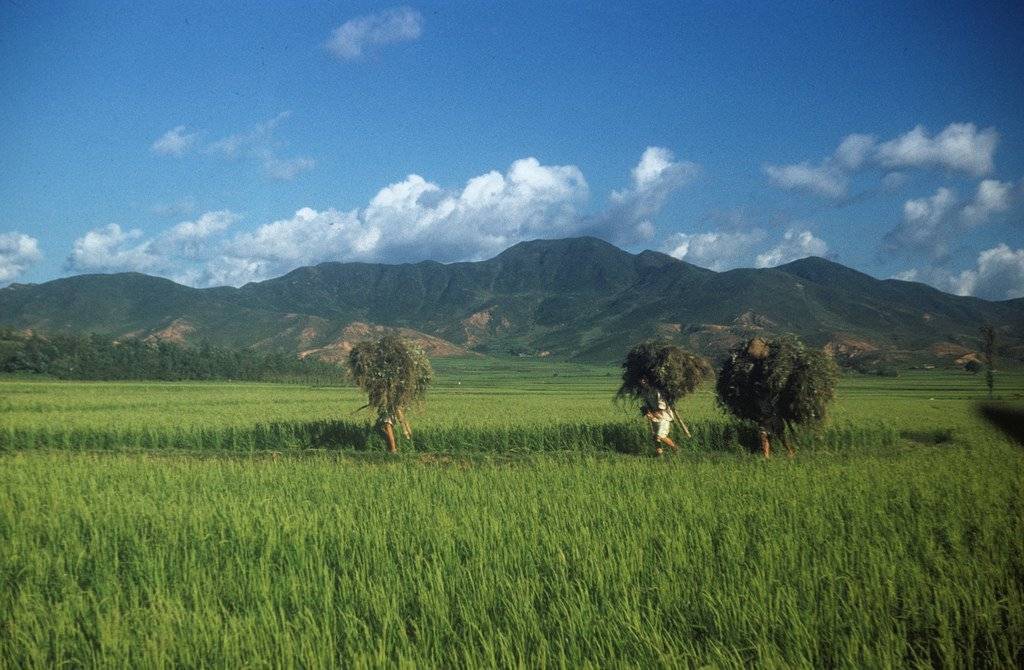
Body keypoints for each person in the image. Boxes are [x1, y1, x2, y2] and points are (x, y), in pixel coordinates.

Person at [639, 377, 679, 455]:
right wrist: (647, 413)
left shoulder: (656, 391)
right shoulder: (644, 392)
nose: (642, 383)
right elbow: (645, 404)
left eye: (644, 380)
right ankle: (659, 453)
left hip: (664, 416)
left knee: (660, 435)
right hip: (654, 417)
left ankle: (676, 448)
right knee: (655, 437)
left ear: (648, 381)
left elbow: (662, 405)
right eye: (641, 381)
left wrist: (654, 414)